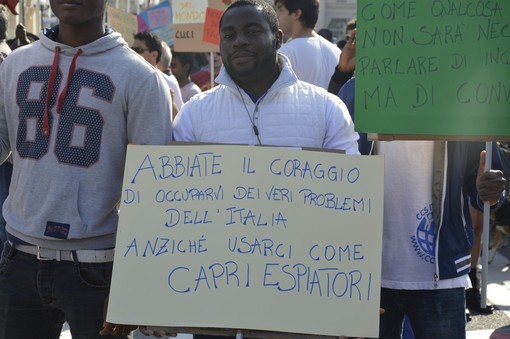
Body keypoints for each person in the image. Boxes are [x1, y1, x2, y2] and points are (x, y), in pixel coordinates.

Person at [0, 0, 173, 337]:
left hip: (97, 268)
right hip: (18, 258)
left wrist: (130, 287)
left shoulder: (142, 79)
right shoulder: (15, 64)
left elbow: (151, 194)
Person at [337, 31, 507, 339]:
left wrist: (491, 193)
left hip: (440, 276)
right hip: (367, 272)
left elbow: (481, 181)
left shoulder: (465, 98)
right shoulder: (355, 93)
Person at [274, 0, 340, 89]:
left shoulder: (286, 53)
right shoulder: (336, 51)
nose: (276, 15)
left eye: (280, 10)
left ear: (297, 13)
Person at [132, 30, 183, 116]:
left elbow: (181, 120)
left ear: (154, 55)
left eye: (138, 50)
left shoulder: (168, 82)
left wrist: (170, 102)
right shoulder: (128, 80)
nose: (133, 54)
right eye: (131, 50)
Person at [328, 18, 356, 95]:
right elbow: (334, 100)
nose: (352, 43)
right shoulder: (343, 63)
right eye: (348, 38)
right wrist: (342, 72)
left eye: (355, 38)